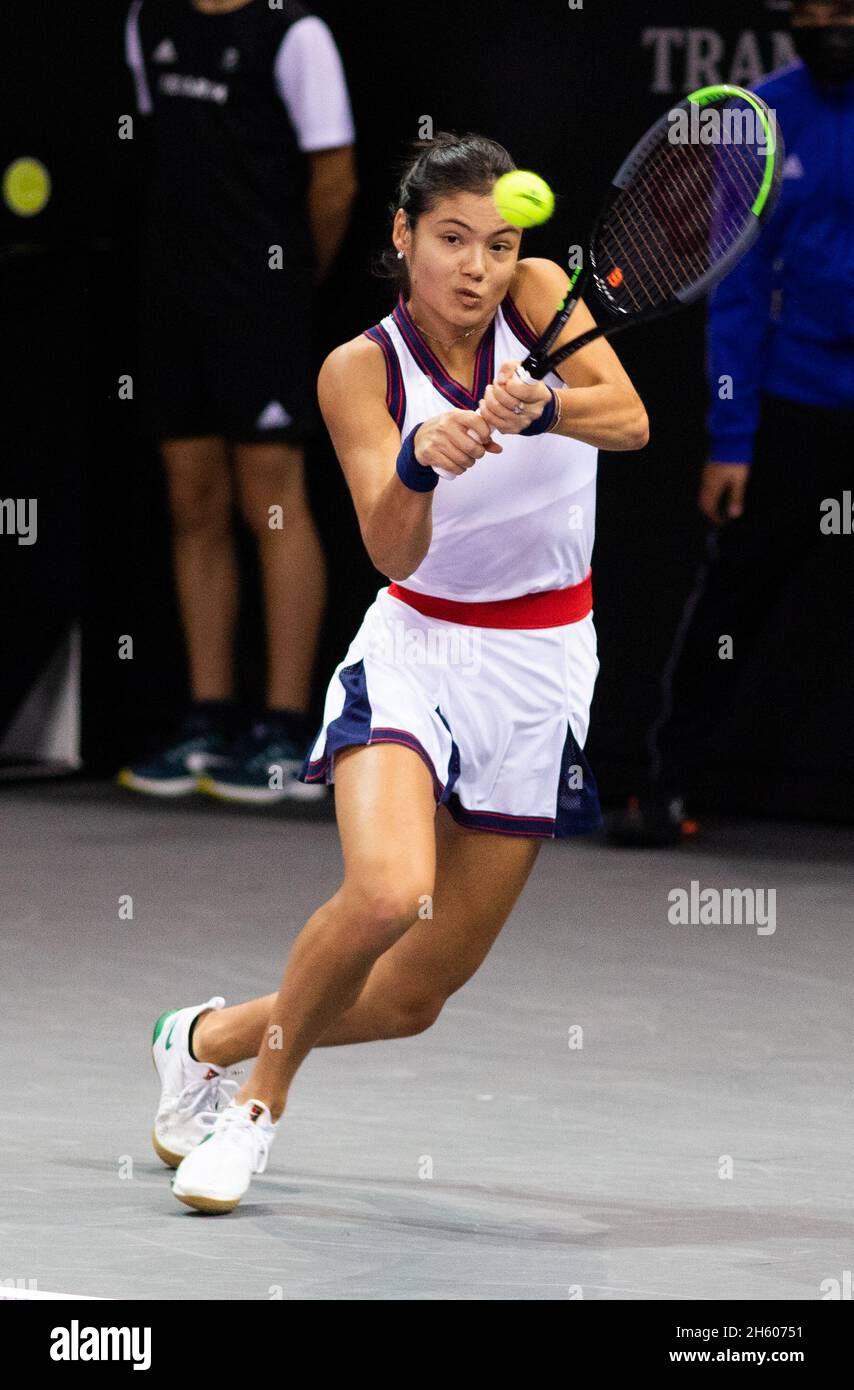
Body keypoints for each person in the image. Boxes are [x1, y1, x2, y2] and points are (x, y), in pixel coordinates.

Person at [148, 132, 649, 1213]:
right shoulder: (357, 371)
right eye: (450, 239)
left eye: (495, 242)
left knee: (415, 996)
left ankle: (205, 1036)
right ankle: (251, 1110)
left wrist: (544, 403)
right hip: (418, 646)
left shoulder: (542, 296)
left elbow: (631, 419)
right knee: (385, 889)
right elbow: (390, 551)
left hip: (544, 666)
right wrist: (423, 458)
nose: (475, 266)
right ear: (403, 236)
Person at [608, 0, 854, 847]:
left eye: (846, 9)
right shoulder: (764, 121)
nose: (828, 24)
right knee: (732, 598)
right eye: (813, 10)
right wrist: (733, 436)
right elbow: (737, 294)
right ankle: (667, 788)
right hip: (795, 401)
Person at [118, 0, 357, 803]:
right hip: (171, 294)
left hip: (261, 299)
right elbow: (164, 150)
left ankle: (286, 729)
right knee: (193, 498)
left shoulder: (296, 34)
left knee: (272, 501)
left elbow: (335, 182)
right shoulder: (147, 20)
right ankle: (207, 715)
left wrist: (285, 287)